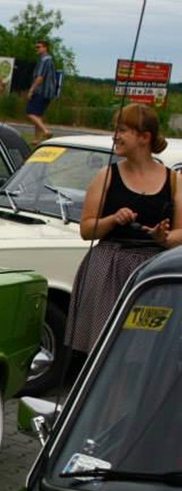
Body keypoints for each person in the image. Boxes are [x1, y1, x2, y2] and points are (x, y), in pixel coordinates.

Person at [66, 103, 182, 354]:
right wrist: (112, 219)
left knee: (142, 352)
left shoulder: (173, 180)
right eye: (115, 130)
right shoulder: (106, 175)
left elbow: (180, 234)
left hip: (151, 274)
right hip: (107, 269)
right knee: (104, 349)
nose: (115, 136)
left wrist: (163, 238)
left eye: (122, 130)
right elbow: (87, 230)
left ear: (144, 137)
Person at [26, 39, 57, 145]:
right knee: (38, 115)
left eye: (39, 47)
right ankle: (37, 139)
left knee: (30, 113)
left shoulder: (44, 60)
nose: (37, 49)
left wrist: (31, 90)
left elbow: (40, 77)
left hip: (41, 91)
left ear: (45, 48)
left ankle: (45, 131)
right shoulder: (50, 60)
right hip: (49, 92)